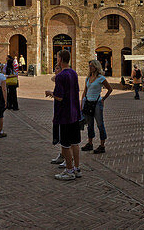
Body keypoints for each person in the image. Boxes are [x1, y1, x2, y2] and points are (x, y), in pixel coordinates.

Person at [47, 51, 82, 180]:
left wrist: (50, 92)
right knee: (75, 143)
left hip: (64, 114)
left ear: (60, 59)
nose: (56, 60)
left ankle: (69, 170)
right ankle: (77, 168)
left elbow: (59, 97)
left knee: (65, 144)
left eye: (57, 58)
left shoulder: (61, 76)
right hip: (74, 112)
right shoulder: (74, 73)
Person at [81, 60, 111, 153]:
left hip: (97, 103)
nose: (90, 67)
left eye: (92, 66)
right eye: (89, 66)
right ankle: (90, 143)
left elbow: (110, 89)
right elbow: (85, 91)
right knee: (89, 125)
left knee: (100, 124)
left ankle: (102, 145)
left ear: (96, 67)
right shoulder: (88, 78)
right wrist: (81, 103)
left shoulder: (101, 78)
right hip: (88, 103)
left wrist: (103, 99)